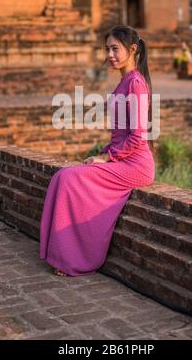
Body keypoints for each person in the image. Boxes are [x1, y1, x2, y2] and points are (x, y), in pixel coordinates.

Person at [39, 24, 155, 277]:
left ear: (133, 49)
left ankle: (74, 258)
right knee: (62, 176)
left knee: (70, 178)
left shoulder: (136, 83)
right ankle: (61, 253)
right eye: (107, 49)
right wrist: (103, 153)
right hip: (121, 159)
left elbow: (138, 138)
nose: (110, 55)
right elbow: (119, 135)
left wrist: (107, 158)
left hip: (136, 164)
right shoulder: (125, 82)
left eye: (115, 49)